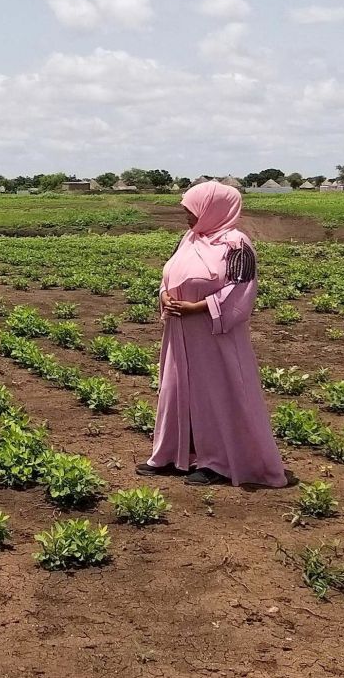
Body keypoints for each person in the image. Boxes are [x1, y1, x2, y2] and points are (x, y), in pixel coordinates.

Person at [138, 180, 287, 488]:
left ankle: (217, 461)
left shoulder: (236, 245)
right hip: (180, 333)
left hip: (214, 336)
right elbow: (170, 275)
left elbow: (240, 290)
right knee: (176, 390)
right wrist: (165, 294)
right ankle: (173, 454)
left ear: (212, 209)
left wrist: (199, 307)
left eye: (191, 208)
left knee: (215, 394)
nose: (185, 214)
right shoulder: (189, 239)